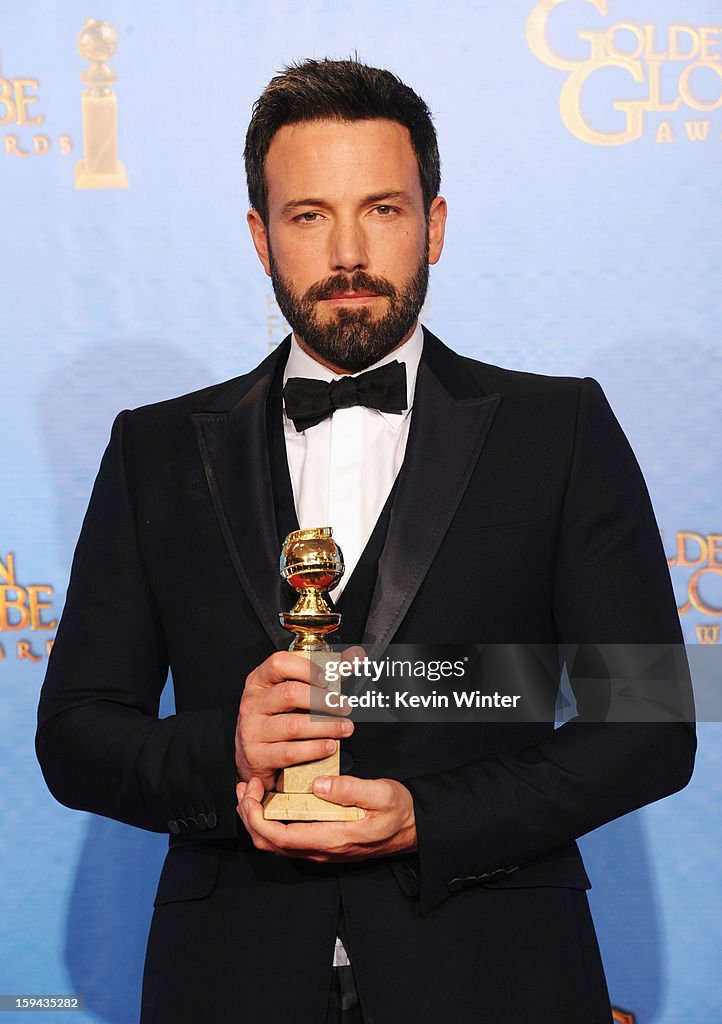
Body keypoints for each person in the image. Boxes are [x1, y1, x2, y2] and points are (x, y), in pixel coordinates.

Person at [37, 59, 695, 1024]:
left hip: (494, 967)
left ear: (433, 222)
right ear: (262, 237)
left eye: (381, 209)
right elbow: (77, 738)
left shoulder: (559, 429)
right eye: (308, 216)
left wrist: (432, 819)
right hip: (229, 978)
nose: (347, 251)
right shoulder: (154, 449)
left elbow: (649, 726)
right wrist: (228, 750)